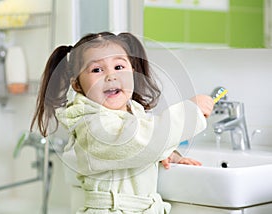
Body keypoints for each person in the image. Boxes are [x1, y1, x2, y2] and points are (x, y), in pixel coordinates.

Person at [31, 32, 214, 213]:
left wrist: (167, 154)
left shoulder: (134, 114)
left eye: (119, 67)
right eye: (96, 70)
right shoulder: (90, 124)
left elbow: (141, 144)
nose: (111, 76)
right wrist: (190, 112)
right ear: (77, 85)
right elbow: (136, 140)